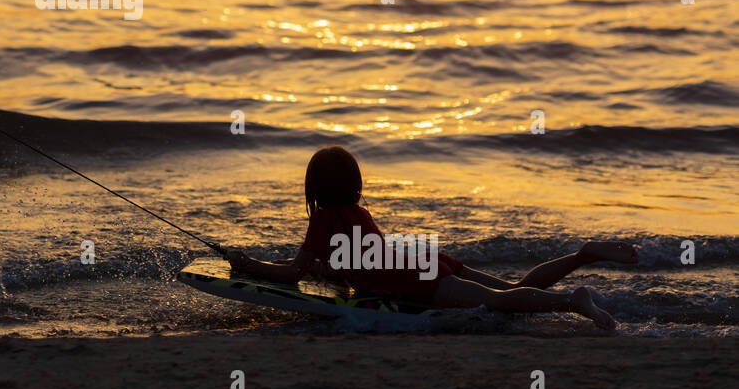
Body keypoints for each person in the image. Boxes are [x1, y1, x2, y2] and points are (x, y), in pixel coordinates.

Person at [224, 146, 636, 329]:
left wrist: (245, 265)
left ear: (314, 189)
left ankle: (573, 301)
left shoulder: (322, 222)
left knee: (500, 303)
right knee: (512, 291)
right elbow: (365, 260)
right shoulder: (358, 212)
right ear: (354, 183)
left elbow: (291, 276)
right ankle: (582, 256)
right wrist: (330, 271)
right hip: (420, 260)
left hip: (414, 279)